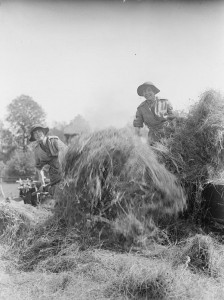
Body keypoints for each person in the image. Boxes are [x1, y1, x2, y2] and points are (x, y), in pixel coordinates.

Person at [29, 124, 67, 196]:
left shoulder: (54, 141)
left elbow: (67, 154)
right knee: (56, 194)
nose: (37, 134)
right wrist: (43, 183)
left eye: (39, 131)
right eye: (35, 133)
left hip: (66, 171)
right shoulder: (37, 150)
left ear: (43, 132)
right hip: (54, 176)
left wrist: (66, 171)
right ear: (34, 137)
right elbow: (39, 168)